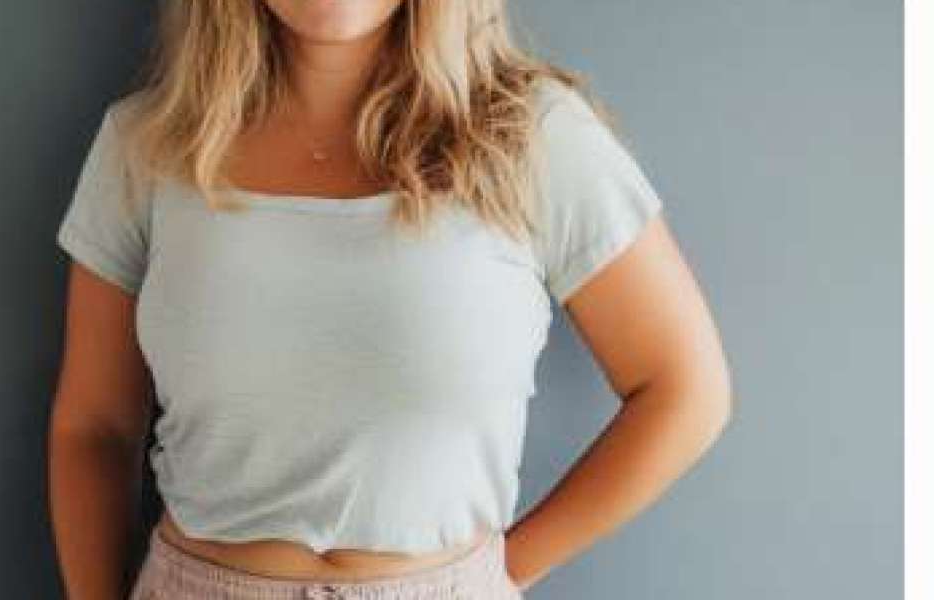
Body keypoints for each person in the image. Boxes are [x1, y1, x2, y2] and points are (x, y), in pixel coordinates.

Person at [48, 1, 733, 598]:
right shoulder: (147, 145)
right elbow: (94, 425)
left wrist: (494, 576)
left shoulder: (531, 136)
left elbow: (686, 389)